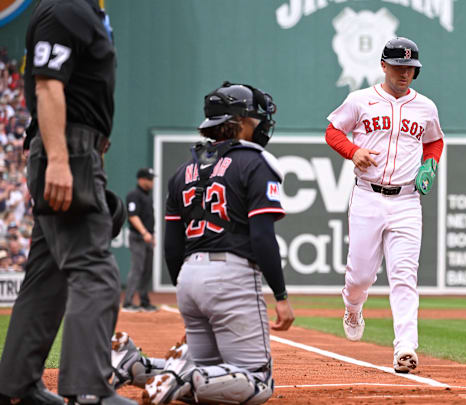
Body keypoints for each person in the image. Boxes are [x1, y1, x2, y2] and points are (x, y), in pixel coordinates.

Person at [0, 0, 134, 404]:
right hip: (67, 148)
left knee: (47, 277)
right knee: (96, 272)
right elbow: (47, 84)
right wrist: (60, 160)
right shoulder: (65, 8)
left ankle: (16, 385)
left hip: (74, 148)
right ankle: (90, 390)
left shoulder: (83, 11)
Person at [128, 81, 295, 405]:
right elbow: (262, 237)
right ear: (240, 122)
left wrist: (187, 288)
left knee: (212, 372)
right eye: (254, 117)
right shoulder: (255, 162)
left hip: (189, 276)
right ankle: (182, 376)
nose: (260, 123)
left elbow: (172, 246)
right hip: (231, 276)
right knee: (258, 382)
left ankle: (137, 366)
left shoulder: (183, 170)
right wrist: (281, 295)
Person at [325, 37, 444, 373]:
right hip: (367, 195)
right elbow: (333, 131)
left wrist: (429, 165)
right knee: (360, 275)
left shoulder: (426, 107)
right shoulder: (360, 100)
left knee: (404, 276)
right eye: (398, 66)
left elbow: (434, 140)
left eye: (410, 68)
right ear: (383, 66)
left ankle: (405, 349)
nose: (404, 73)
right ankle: (352, 306)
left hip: (407, 200)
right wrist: (353, 151)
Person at [122, 167, 157, 312]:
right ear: (141, 179)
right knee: (137, 269)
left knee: (147, 270)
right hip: (138, 237)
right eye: (149, 179)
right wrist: (144, 232)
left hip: (147, 237)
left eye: (152, 179)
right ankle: (128, 302)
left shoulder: (147, 196)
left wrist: (151, 235)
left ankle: (144, 301)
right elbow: (132, 215)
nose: (152, 182)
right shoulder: (134, 195)